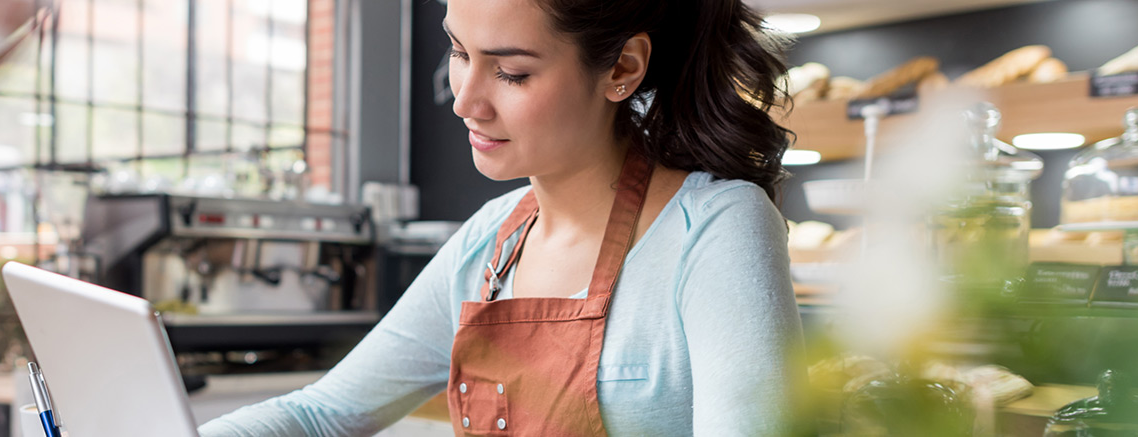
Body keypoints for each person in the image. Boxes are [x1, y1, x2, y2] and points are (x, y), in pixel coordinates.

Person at [200, 0, 800, 434]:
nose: (464, 101)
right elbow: (320, 414)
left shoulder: (716, 227)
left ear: (622, 68)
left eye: (511, 71)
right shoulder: (490, 238)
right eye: (460, 51)